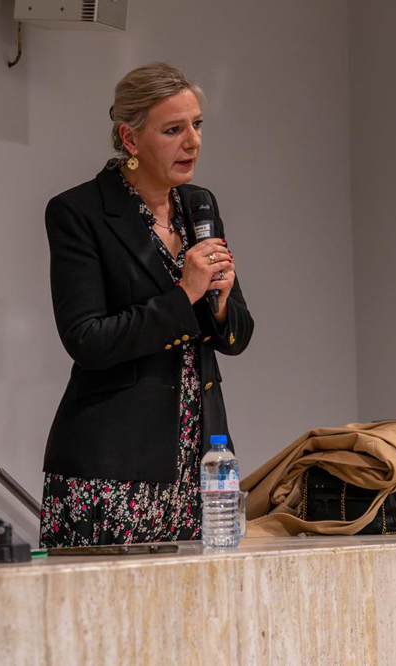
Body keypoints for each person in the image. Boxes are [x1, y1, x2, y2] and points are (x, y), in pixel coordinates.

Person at [40, 63, 254, 547]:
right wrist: (184, 294)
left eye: (197, 125)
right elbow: (87, 340)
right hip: (112, 467)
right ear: (130, 140)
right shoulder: (80, 212)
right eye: (173, 129)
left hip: (200, 460)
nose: (193, 141)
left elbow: (236, 335)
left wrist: (218, 302)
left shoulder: (200, 204)